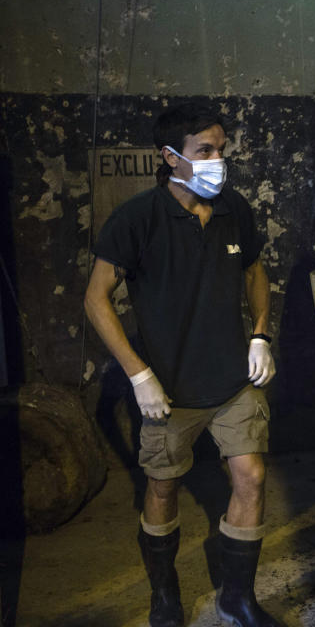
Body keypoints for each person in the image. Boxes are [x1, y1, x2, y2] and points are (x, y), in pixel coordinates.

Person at [84, 103, 283, 627]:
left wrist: (260, 332)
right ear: (171, 158)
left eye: (221, 149)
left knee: (251, 476)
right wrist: (139, 374)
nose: (219, 160)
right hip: (167, 388)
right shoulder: (138, 219)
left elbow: (255, 272)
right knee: (163, 486)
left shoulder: (233, 208)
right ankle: (165, 595)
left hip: (232, 382)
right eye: (205, 151)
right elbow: (96, 299)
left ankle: (236, 598)